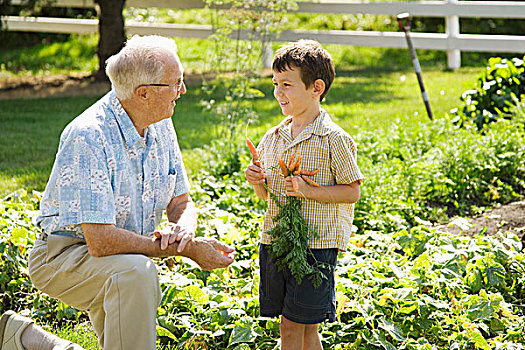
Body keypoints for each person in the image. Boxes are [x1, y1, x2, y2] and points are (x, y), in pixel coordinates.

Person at [1, 35, 235, 350]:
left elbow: (181, 201)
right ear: (144, 93)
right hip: (65, 255)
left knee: (127, 310)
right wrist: (184, 250)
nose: (183, 91)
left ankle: (22, 338)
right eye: (176, 83)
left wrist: (183, 230)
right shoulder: (89, 136)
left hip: (120, 257)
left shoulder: (161, 122)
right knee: (137, 273)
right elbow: (99, 241)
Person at [244, 40, 364, 350]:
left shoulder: (334, 138)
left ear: (316, 88)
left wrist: (309, 191)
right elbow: (266, 196)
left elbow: (352, 191)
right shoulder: (272, 137)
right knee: (305, 328)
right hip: (276, 239)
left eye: (286, 84)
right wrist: (257, 180)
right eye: (275, 84)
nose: (278, 92)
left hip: (315, 245)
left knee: (291, 325)